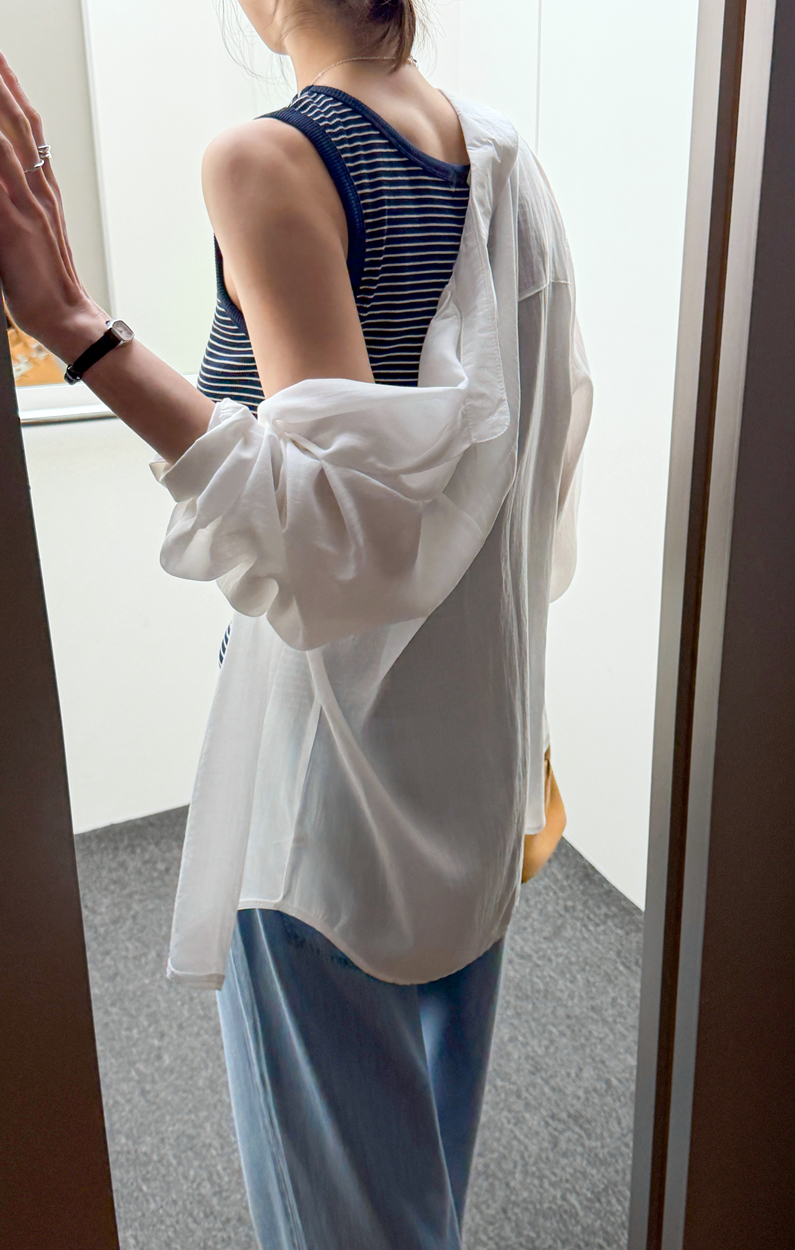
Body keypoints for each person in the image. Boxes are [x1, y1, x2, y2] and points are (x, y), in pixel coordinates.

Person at [0, 1, 591, 1245]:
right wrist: (520, 715)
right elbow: (546, 450)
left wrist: (76, 330)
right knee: (422, 1183)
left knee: (349, 1217)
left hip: (332, 777)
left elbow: (332, 537)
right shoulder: (503, 158)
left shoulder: (267, 159)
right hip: (475, 752)